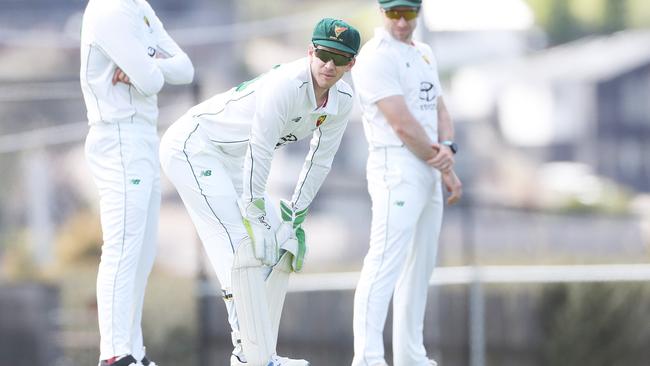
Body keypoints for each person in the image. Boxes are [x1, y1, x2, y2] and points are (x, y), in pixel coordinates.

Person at [159, 18, 360, 366]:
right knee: (241, 246)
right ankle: (250, 356)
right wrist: (253, 213)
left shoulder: (342, 100)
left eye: (340, 58)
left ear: (350, 64)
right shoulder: (285, 85)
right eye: (324, 54)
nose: (330, 65)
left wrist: (296, 217)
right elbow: (261, 149)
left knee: (276, 241)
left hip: (233, 162)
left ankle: (259, 353)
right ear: (311, 51)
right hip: (193, 147)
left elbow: (319, 160)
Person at [79, 0, 194, 365]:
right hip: (117, 135)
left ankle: (133, 351)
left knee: (142, 254)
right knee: (124, 248)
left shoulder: (139, 7)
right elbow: (152, 80)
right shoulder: (109, 10)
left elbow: (185, 69)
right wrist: (151, 66)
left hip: (143, 135)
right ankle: (114, 354)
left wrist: (147, 62)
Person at [350, 0, 462, 365]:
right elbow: (401, 123)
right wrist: (441, 161)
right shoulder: (375, 57)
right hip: (395, 167)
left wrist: (447, 153)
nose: (401, 21)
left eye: (409, 13)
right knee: (384, 262)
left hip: (428, 166)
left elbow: (439, 110)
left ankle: (411, 356)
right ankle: (367, 359)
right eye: (393, 12)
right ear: (381, 12)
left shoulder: (425, 52)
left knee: (421, 266)